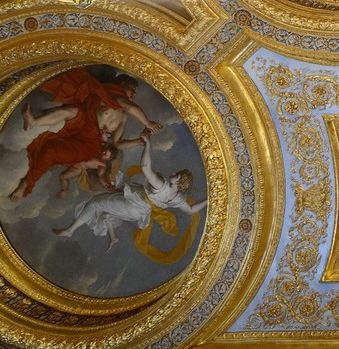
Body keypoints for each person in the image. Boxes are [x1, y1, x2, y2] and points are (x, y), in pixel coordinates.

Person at [9, 68, 157, 202]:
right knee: (73, 111)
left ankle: (25, 185)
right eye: (130, 87)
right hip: (83, 124)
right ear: (120, 84)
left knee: (50, 150)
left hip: (88, 143)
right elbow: (130, 106)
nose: (134, 93)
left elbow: (117, 143)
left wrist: (138, 141)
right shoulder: (111, 95)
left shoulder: (123, 116)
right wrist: (148, 123)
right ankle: (34, 122)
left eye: (135, 91)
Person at [53, 136, 206, 248]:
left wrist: (148, 145)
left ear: (179, 183)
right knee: (106, 207)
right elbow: (192, 210)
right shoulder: (177, 198)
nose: (172, 173)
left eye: (176, 175)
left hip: (135, 203)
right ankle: (113, 237)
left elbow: (145, 166)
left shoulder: (162, 185)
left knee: (95, 203)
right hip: (138, 209)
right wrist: (208, 200)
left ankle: (70, 230)